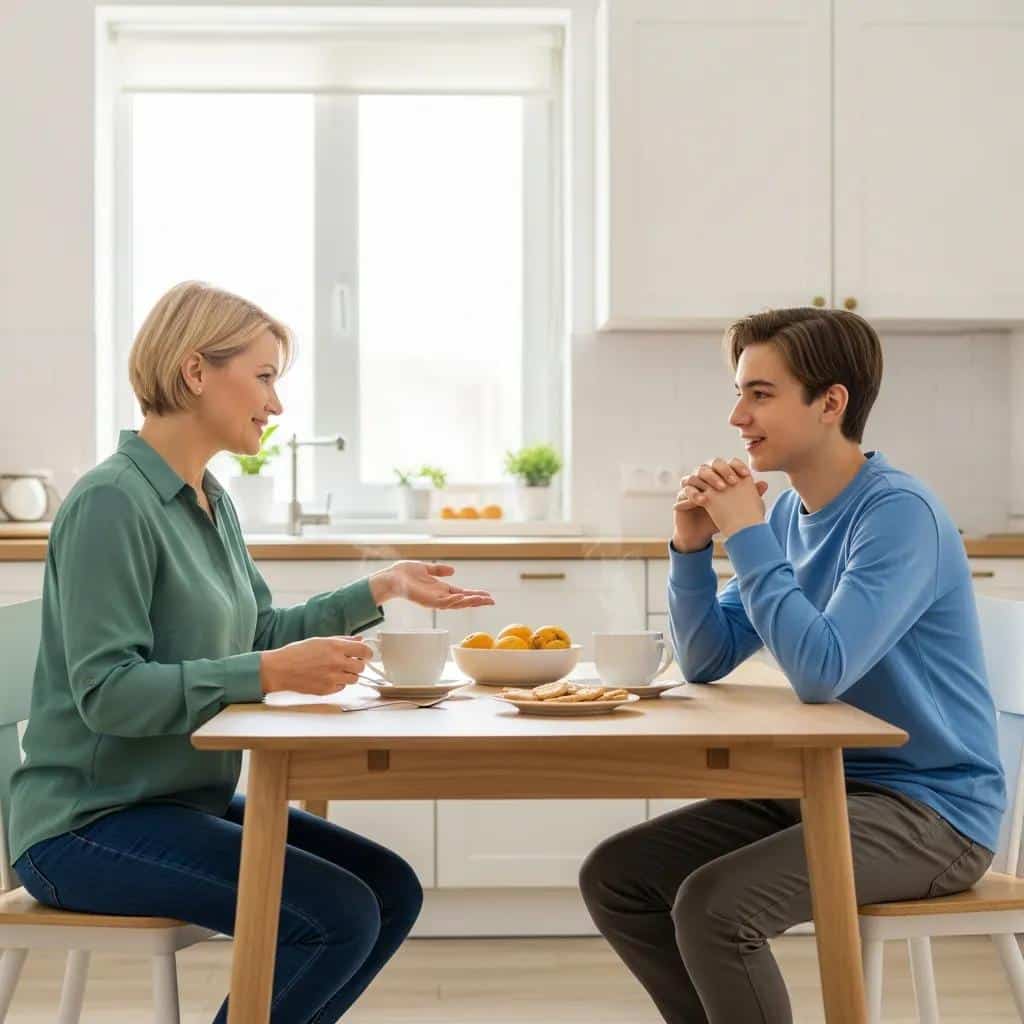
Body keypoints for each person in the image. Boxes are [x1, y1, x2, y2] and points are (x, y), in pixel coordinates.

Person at [8, 280, 494, 1023]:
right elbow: (108, 693)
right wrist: (268, 673)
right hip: (87, 826)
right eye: (264, 376)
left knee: (389, 891)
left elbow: (259, 635)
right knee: (335, 916)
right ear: (196, 371)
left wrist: (380, 587)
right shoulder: (112, 503)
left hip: (175, 802)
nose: (276, 403)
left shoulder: (206, 499)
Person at [579, 307, 1005, 1024]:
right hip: (822, 786)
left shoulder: (896, 515)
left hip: (931, 812)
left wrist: (745, 531)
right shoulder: (787, 516)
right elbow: (707, 659)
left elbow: (820, 670)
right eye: (739, 391)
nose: (737, 414)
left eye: (760, 393)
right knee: (620, 877)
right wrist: (692, 550)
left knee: (715, 908)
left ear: (830, 402)